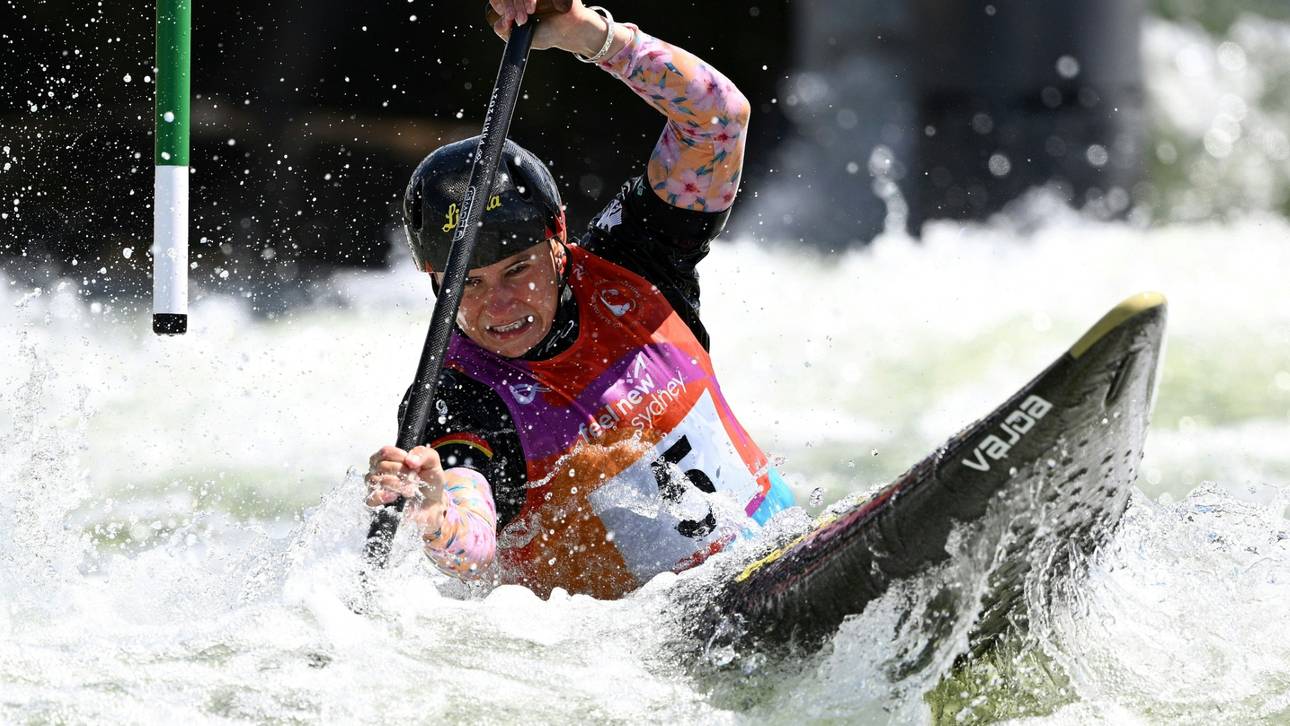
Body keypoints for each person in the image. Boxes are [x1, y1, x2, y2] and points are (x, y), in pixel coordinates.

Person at [365, 0, 794, 599]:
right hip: (652, 646)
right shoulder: (457, 393)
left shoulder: (634, 261)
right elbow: (472, 545)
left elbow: (718, 121)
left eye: (517, 270)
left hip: (784, 553)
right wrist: (436, 510)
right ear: (437, 285)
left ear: (558, 239)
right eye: (470, 285)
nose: (499, 305)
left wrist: (589, 35)